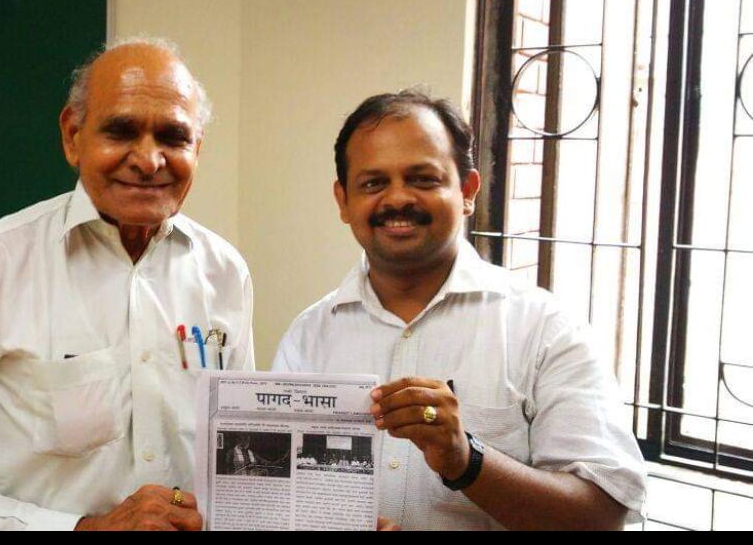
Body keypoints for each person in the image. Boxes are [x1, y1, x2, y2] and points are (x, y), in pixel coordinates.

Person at [0, 37, 254, 531]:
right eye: (121, 131)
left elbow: (237, 467)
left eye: (173, 137)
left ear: (197, 149)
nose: (148, 159)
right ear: (73, 136)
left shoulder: (225, 273)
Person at [272, 90, 646, 530]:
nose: (397, 198)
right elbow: (275, 494)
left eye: (423, 179)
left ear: (467, 191)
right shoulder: (309, 335)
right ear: (343, 201)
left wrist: (465, 459)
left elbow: (602, 514)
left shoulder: (546, 330)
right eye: (373, 183)